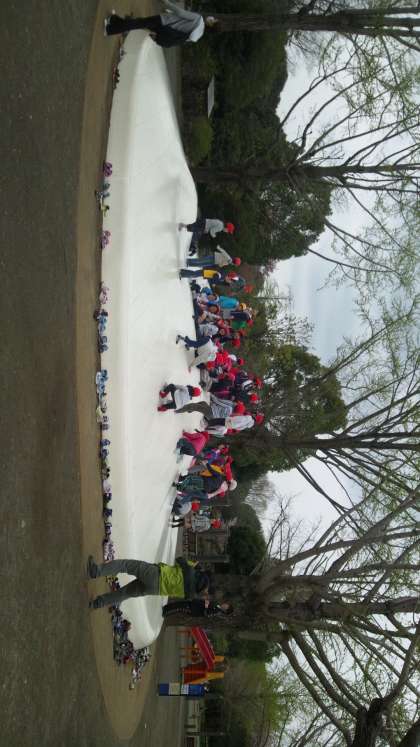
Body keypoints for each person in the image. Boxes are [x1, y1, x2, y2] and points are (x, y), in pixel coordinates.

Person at [87, 554, 210, 609]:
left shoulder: (190, 571)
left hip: (156, 574)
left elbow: (179, 559)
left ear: (200, 575)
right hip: (155, 590)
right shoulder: (191, 594)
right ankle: (97, 603)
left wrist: (193, 565)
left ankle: (96, 571)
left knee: (125, 565)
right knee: (124, 593)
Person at [105, 4, 219, 46]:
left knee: (137, 23)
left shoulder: (198, 19)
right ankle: (114, 20)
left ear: (211, 24)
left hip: (164, 20)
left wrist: (167, 3)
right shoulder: (198, 36)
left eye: (214, 20)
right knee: (139, 23)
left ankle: (109, 30)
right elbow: (179, 37)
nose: (212, 18)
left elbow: (181, 13)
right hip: (164, 30)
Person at [162, 599, 233, 617]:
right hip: (195, 604)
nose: (225, 604)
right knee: (179, 603)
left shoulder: (217, 611)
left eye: (227, 606)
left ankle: (165, 612)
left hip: (194, 610)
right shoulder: (217, 605)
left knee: (179, 608)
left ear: (225, 610)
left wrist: (206, 606)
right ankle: (166, 607)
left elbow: (206, 614)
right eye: (227, 604)